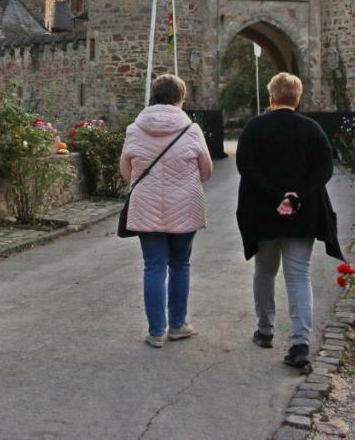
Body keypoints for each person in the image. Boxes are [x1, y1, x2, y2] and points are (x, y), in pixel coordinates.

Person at [235, 72, 343, 370]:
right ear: (298, 98)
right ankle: (300, 343)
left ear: (271, 97)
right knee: (298, 276)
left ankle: (266, 329)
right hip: (302, 213)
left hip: (264, 212)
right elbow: (324, 169)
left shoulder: (255, 128)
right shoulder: (312, 129)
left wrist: (275, 197)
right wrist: (296, 196)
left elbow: (247, 167)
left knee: (264, 271)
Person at [120, 73, 213, 348]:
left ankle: (156, 331)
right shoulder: (191, 130)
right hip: (185, 206)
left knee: (153, 266)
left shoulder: (134, 129)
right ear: (179, 98)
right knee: (180, 264)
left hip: (145, 205)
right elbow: (206, 171)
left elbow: (126, 170)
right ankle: (177, 324)